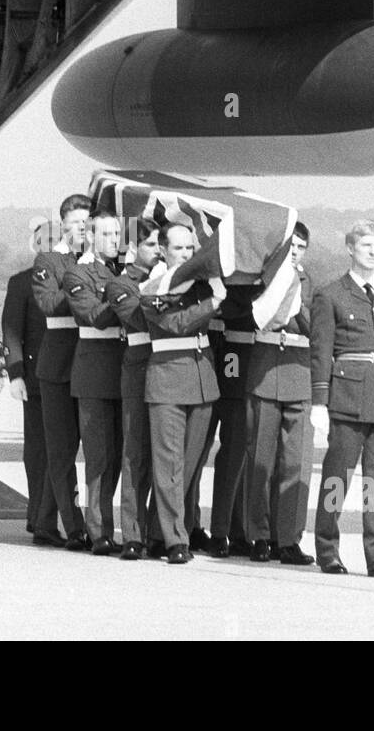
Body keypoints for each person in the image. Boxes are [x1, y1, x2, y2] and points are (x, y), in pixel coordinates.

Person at [311, 220, 374, 578]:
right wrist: (319, 402)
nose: (373, 251)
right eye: (366, 245)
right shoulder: (330, 294)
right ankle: (327, 550)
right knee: (337, 477)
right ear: (350, 249)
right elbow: (321, 351)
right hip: (348, 397)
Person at [140, 223, 223, 565]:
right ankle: (176, 539)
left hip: (201, 379)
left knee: (189, 466)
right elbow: (175, 323)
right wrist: (214, 302)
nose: (187, 256)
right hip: (169, 380)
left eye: (191, 249)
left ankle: (158, 533)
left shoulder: (203, 284)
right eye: (179, 249)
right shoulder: (153, 285)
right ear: (163, 250)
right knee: (169, 466)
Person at [244, 223, 316, 565]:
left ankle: (288, 538)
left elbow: (315, 326)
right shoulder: (264, 281)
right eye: (291, 246)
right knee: (261, 460)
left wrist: (297, 306)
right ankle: (258, 535)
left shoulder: (309, 284)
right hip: (266, 367)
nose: (296, 252)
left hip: (299, 369)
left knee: (295, 463)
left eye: (301, 246)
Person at [31, 194, 91, 550]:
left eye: (88, 224)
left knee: (87, 448)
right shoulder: (48, 260)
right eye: (78, 223)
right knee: (62, 450)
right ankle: (74, 526)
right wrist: (78, 282)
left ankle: (44, 522)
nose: (83, 229)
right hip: (58, 364)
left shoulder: (101, 261)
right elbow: (48, 304)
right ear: (63, 224)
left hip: (90, 362)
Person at [63, 211, 126, 555]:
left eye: (117, 234)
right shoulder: (78, 272)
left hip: (120, 372)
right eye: (107, 234)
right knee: (99, 457)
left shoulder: (119, 271)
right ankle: (98, 530)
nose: (115, 240)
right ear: (90, 236)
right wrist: (129, 294)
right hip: (94, 373)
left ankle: (104, 524)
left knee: (116, 456)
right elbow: (92, 315)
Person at [104, 217, 161, 560]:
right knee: (135, 453)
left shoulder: (172, 279)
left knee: (165, 457)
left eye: (159, 245)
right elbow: (139, 318)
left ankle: (159, 531)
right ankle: (133, 533)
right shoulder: (121, 284)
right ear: (133, 248)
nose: (158, 251)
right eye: (151, 245)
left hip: (169, 369)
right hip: (139, 369)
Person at [3, 221, 61, 546]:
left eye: (57, 239)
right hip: (35, 378)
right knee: (37, 450)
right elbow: (11, 330)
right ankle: (37, 515)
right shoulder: (21, 283)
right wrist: (15, 375)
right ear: (35, 244)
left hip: (69, 376)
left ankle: (47, 516)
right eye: (45, 239)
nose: (51, 244)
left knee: (59, 451)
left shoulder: (71, 278)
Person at [203, 282, 259, 559]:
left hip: (235, 359)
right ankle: (193, 526)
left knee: (235, 456)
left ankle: (228, 530)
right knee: (194, 454)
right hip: (215, 359)